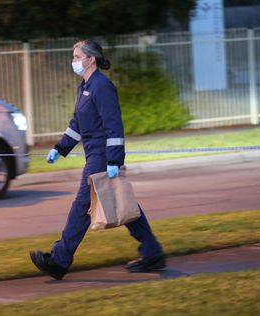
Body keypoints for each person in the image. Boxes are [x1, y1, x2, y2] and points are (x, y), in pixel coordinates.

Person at [30, 39, 165, 280]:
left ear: (91, 59)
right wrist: (60, 148)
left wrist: (113, 160)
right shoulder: (84, 86)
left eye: (77, 56)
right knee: (122, 202)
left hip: (102, 156)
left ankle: (60, 260)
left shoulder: (102, 86)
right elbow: (77, 125)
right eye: (73, 57)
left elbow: (114, 125)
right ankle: (153, 251)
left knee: (83, 206)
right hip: (94, 153)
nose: (73, 61)